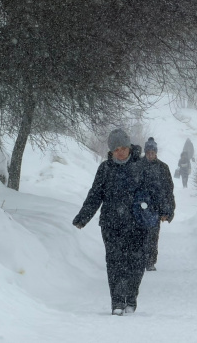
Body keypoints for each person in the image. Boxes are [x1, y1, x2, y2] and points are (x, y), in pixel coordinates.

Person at [72, 128, 148, 316]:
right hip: (111, 224)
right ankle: (117, 302)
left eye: (123, 147)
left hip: (137, 224)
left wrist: (164, 210)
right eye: (116, 149)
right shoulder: (105, 169)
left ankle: (130, 298)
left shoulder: (141, 166)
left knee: (136, 263)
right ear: (111, 151)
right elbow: (95, 195)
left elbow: (155, 191)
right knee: (114, 263)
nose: (120, 152)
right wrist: (83, 217)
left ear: (129, 147)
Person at [141, 137, 175, 271]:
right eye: (148, 152)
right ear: (145, 152)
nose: (150, 155)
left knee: (153, 235)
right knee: (139, 235)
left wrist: (167, 211)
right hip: (139, 208)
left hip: (156, 208)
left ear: (156, 153)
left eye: (152, 153)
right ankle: (138, 260)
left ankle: (150, 261)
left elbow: (168, 191)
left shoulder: (163, 168)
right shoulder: (138, 165)